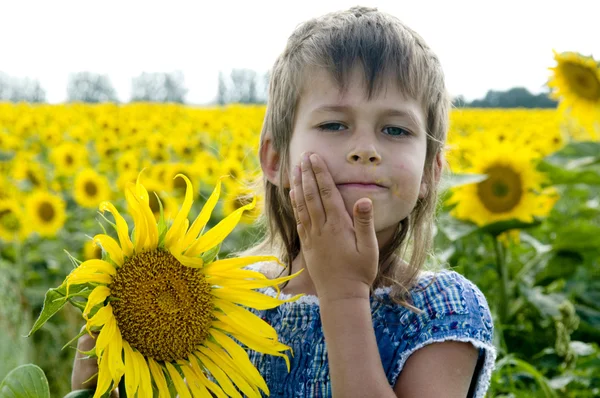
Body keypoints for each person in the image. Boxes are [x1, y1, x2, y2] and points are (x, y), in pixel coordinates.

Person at [72, 5, 496, 397]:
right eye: (334, 124)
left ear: (430, 172)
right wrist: (100, 371)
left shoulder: (440, 312)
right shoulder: (225, 301)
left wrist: (345, 294)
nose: (365, 149)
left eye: (396, 130)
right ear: (275, 159)